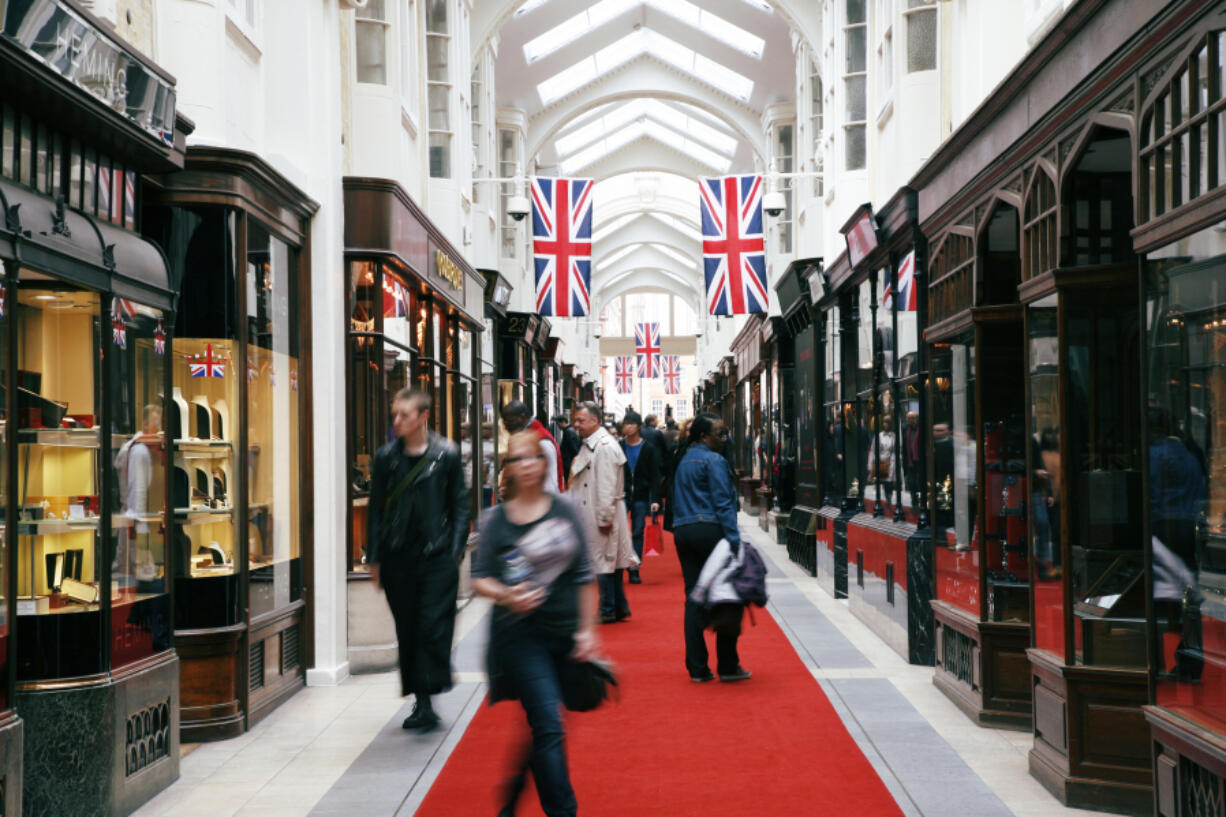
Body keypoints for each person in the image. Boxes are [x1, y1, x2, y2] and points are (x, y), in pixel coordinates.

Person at [471, 430, 599, 817]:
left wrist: (587, 630)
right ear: (506, 469)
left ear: (544, 463)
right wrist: (508, 595)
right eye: (516, 460)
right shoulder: (496, 519)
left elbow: (584, 574)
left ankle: (512, 797)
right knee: (548, 723)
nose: (525, 466)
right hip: (519, 637)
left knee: (544, 726)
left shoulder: (564, 510)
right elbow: (478, 577)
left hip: (563, 632)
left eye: (532, 458)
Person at [368, 387, 471, 731]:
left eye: (404, 415)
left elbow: (460, 505)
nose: (396, 421)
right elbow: (376, 510)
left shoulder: (447, 454)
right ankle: (421, 701)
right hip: (399, 558)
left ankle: (430, 687)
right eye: (394, 414)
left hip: (437, 556)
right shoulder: (386, 457)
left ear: (423, 416)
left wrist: (455, 549)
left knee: (432, 626)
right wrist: (375, 558)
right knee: (409, 628)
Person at [671, 412, 750, 683]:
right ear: (704, 435)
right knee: (727, 594)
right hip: (710, 530)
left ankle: (697, 667)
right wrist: (734, 539)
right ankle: (727, 665)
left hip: (684, 530)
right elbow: (722, 502)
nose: (725, 438)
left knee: (693, 597)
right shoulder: (714, 460)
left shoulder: (684, 459)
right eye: (720, 433)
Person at [568, 402, 638, 623]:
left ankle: (608, 608)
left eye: (580, 420)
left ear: (595, 421)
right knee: (610, 559)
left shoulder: (604, 446)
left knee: (605, 560)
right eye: (575, 420)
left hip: (600, 510)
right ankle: (618, 606)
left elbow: (607, 485)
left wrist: (605, 517)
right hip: (595, 509)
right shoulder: (593, 444)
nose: (575, 424)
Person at [620, 411, 662, 585]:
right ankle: (618, 567)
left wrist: (655, 499)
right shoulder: (619, 446)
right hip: (621, 494)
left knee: (637, 532)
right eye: (625, 424)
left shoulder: (648, 448)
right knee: (619, 533)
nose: (627, 427)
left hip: (640, 495)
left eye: (631, 424)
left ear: (638, 427)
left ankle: (634, 569)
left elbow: (654, 475)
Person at [502, 401, 563, 494]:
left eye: (509, 421)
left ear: (521, 417)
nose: (506, 427)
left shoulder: (542, 442)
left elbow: (549, 484)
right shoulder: (532, 438)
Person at [555, 415, 581, 485]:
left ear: (563, 422)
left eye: (558, 424)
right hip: (568, 462)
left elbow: (574, 449)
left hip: (569, 463)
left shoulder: (568, 432)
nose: (558, 426)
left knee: (569, 482)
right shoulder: (569, 431)